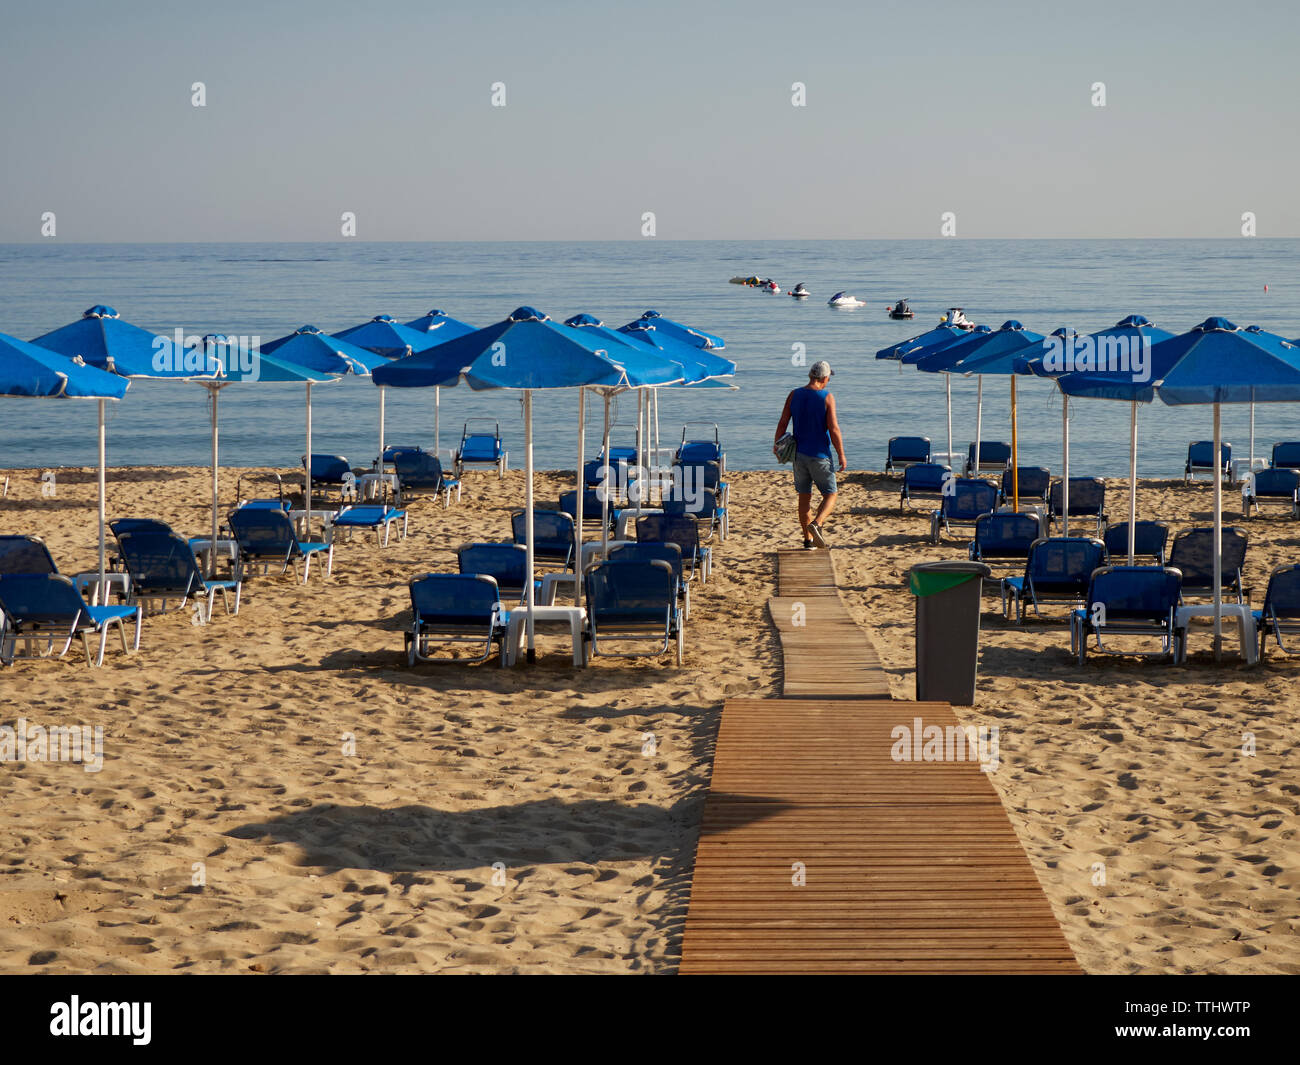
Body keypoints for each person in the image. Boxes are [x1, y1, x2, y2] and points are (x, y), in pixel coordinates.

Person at [774, 361, 847, 548]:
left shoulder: (794, 394)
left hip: (799, 455)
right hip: (820, 454)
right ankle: (817, 523)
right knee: (831, 494)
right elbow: (834, 429)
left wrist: (776, 445)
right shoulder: (827, 397)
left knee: (804, 497)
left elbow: (783, 423)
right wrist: (841, 454)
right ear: (824, 378)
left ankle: (808, 541)